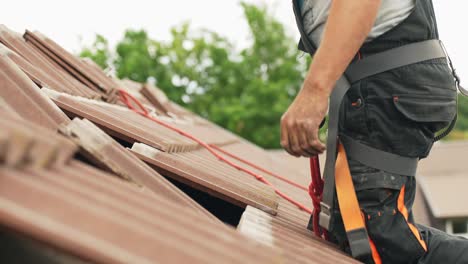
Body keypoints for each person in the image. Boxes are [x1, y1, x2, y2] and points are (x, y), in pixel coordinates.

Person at [281, 0, 468, 263]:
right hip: (380, 85)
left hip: (388, 86)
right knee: (345, 229)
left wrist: (315, 90)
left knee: (376, 239)